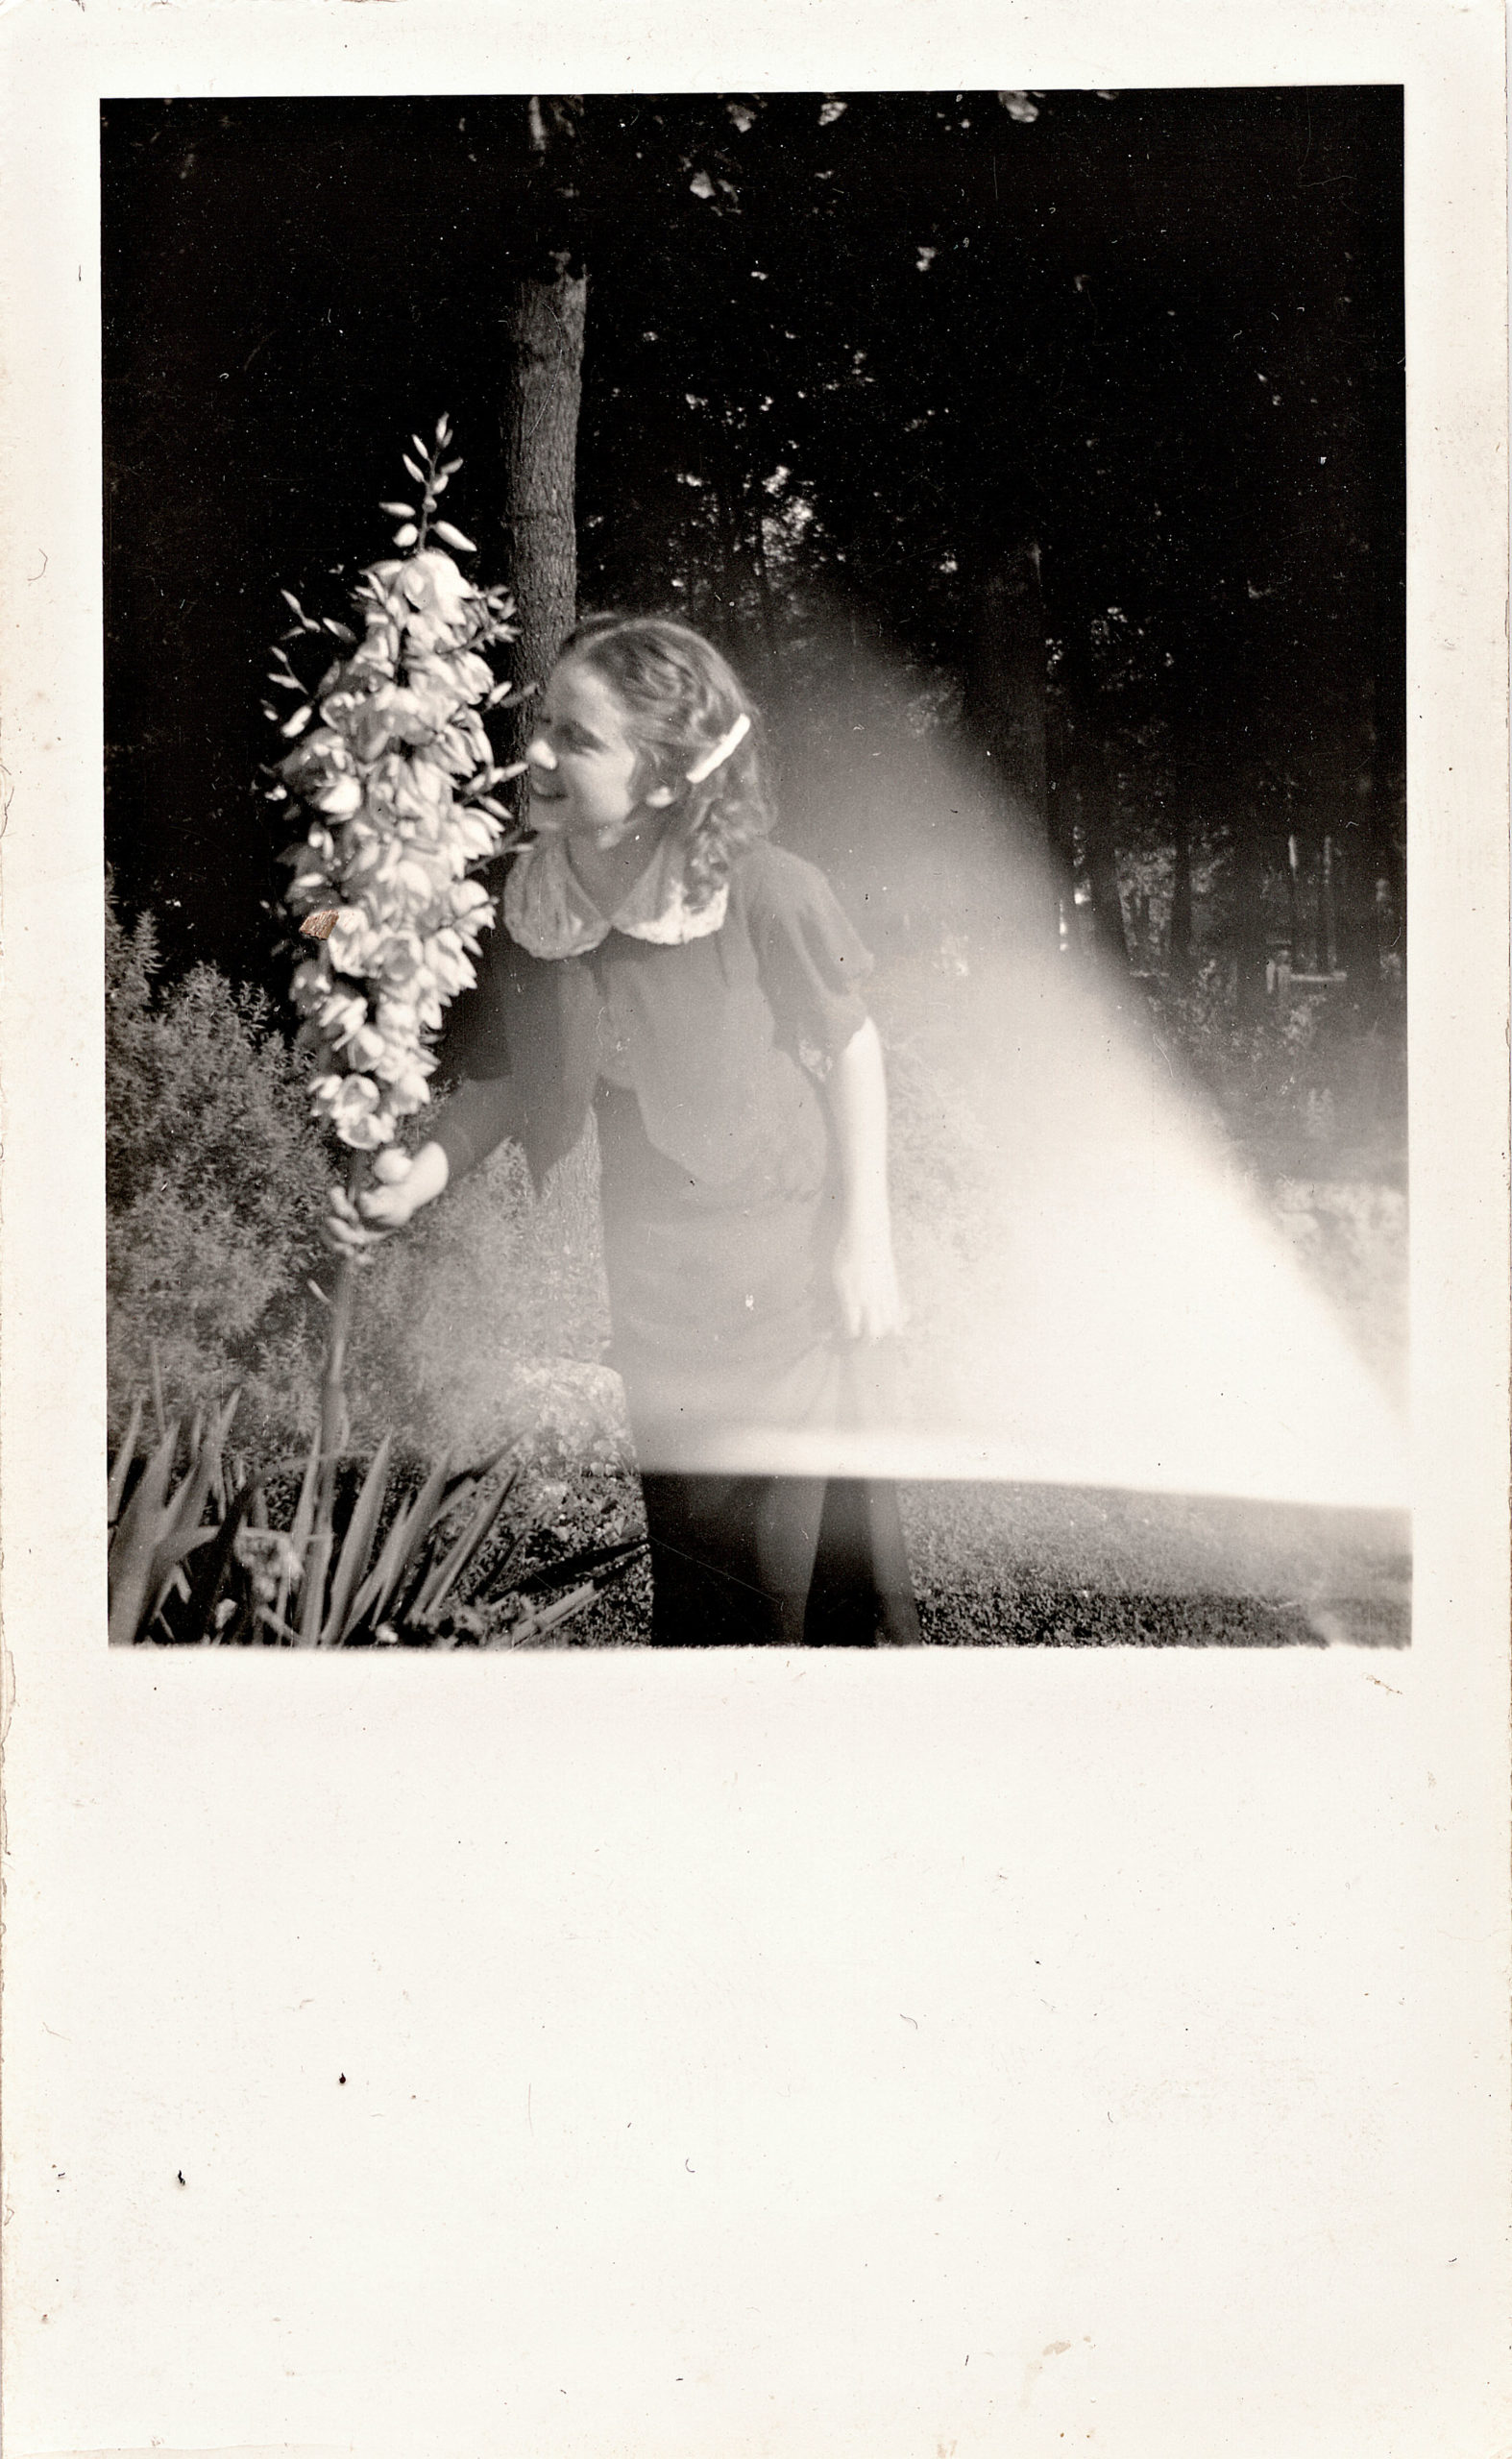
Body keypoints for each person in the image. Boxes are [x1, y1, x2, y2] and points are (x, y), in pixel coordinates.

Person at [325, 612, 919, 1647]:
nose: (538, 754)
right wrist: (416, 1179)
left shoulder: (763, 893)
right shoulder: (536, 906)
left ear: (664, 778)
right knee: (699, 1571)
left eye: (578, 739)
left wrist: (867, 1243)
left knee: (799, 1573)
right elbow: (508, 1078)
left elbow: (853, 1049)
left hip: (788, 1280)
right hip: (656, 1288)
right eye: (543, 724)